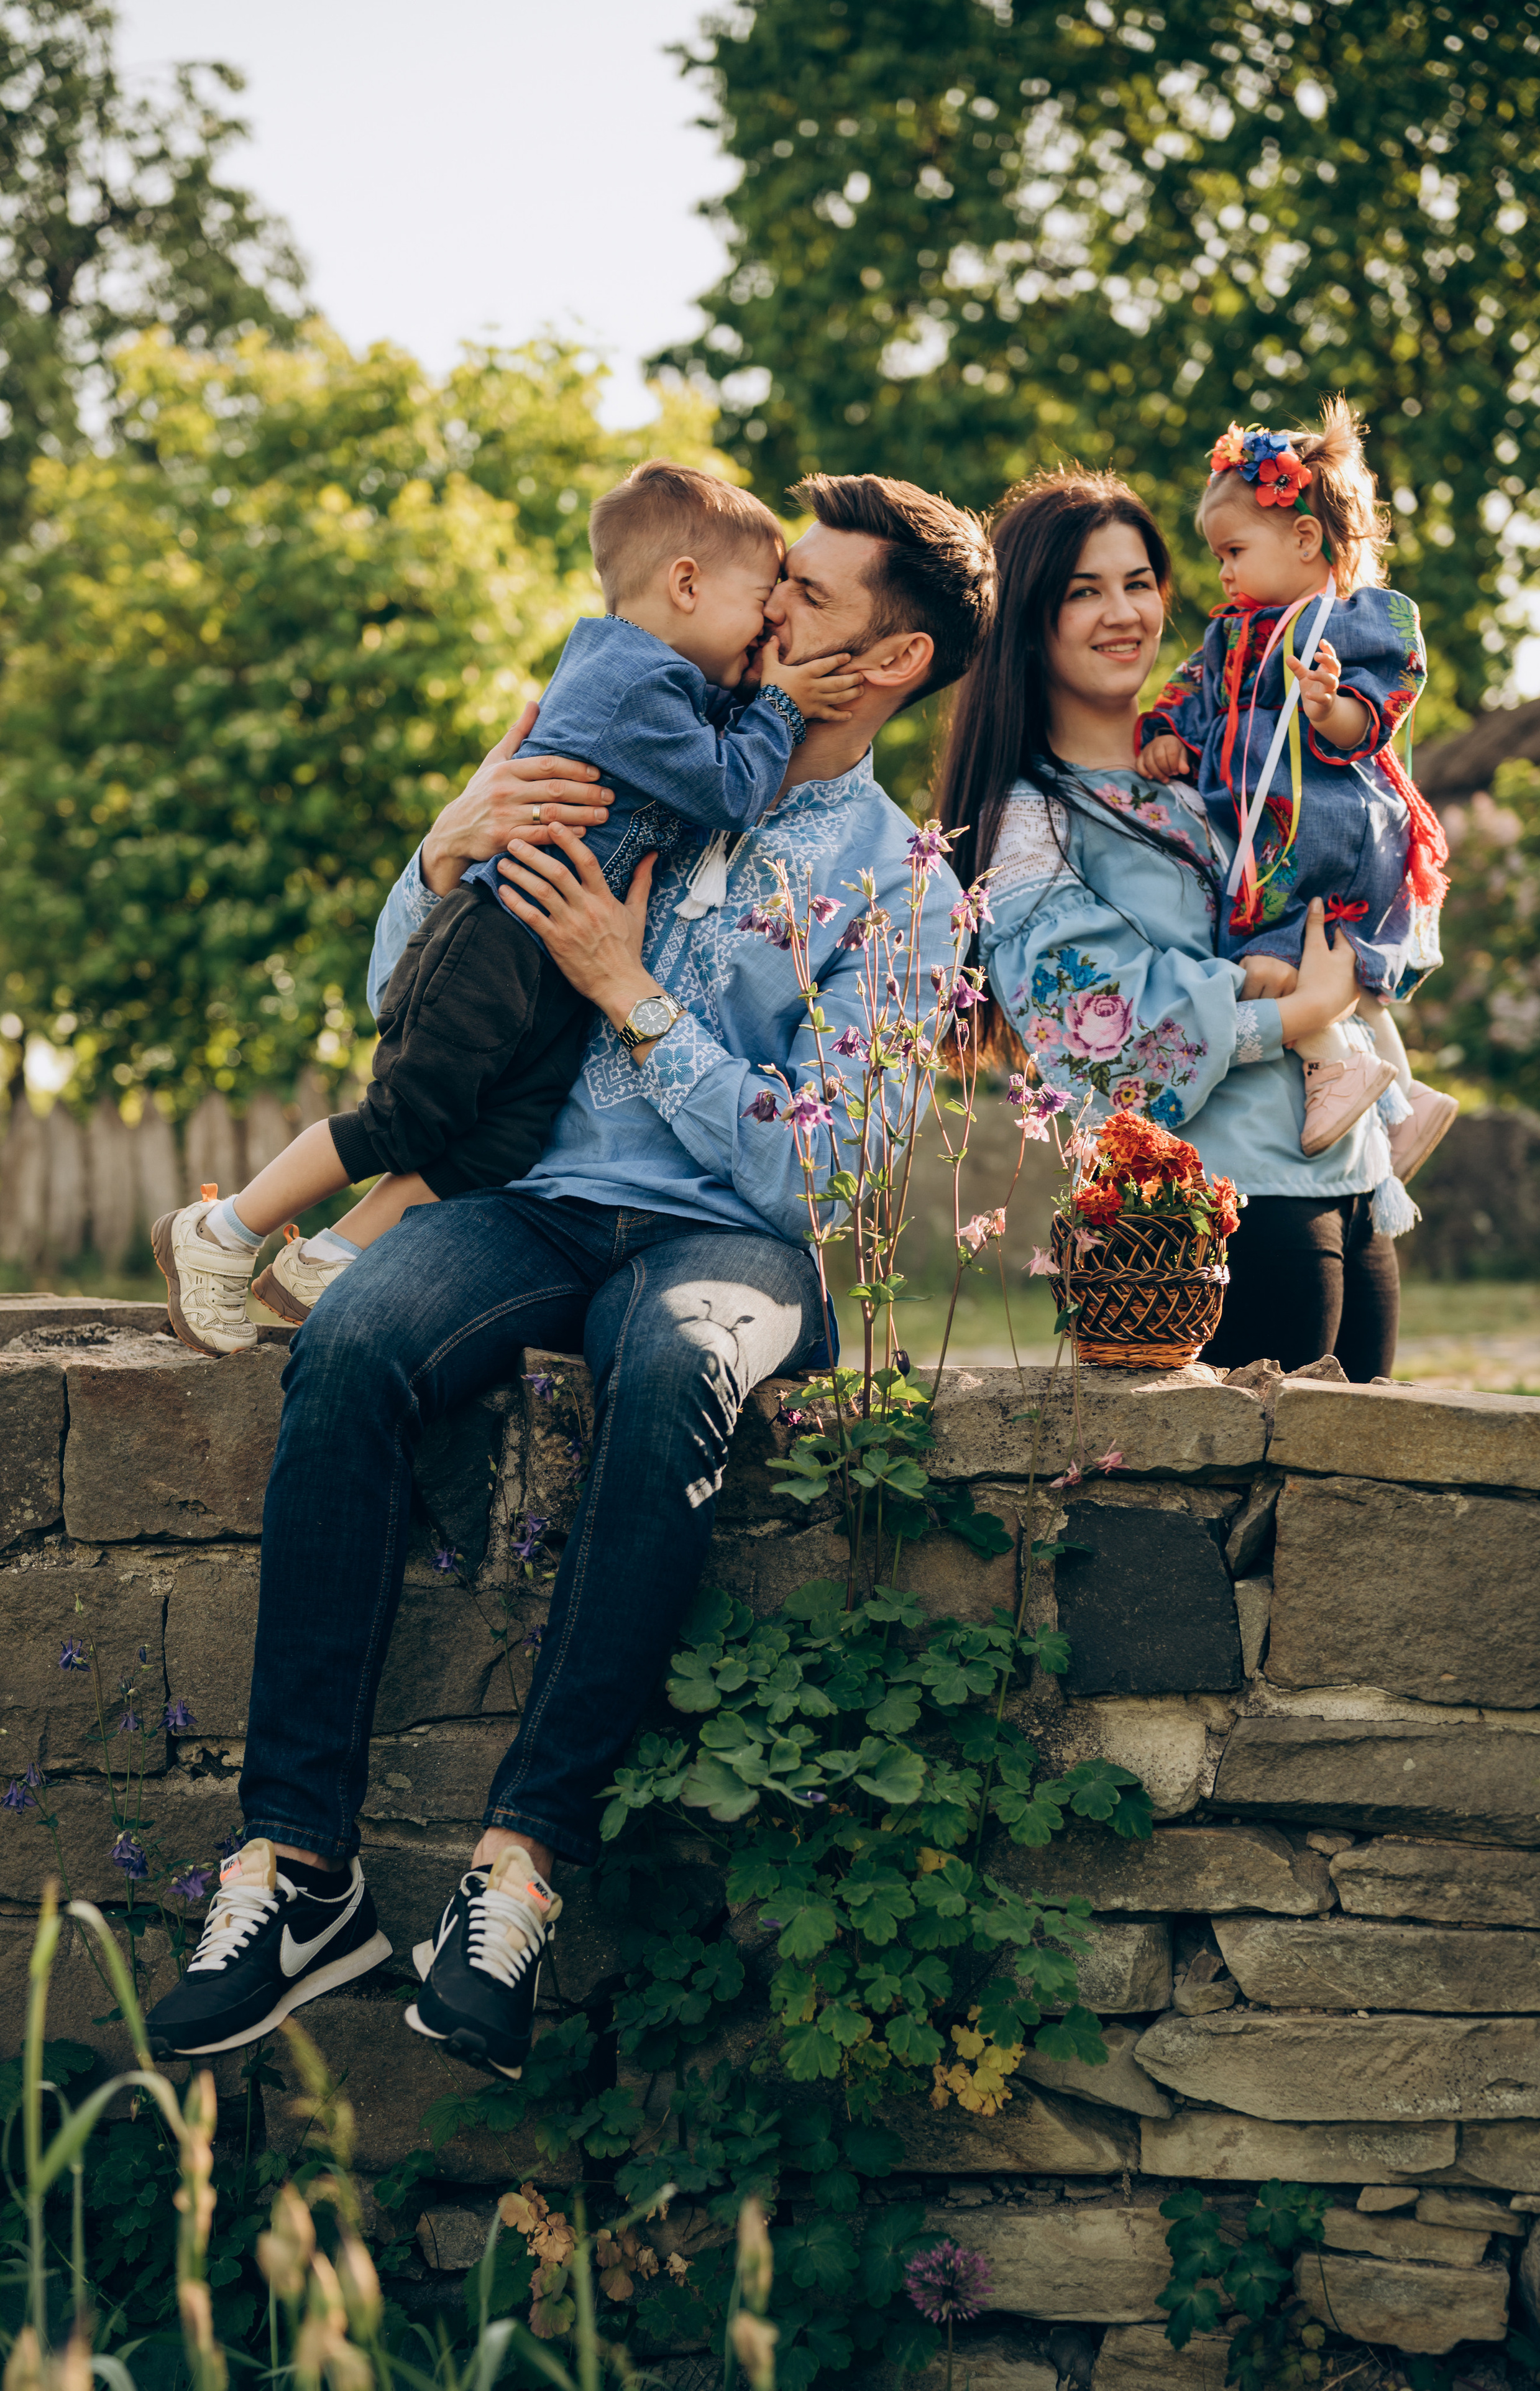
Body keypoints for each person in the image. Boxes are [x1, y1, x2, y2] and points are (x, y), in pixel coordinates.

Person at [141, 472, 997, 2080]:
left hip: (727, 1243)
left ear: (890, 663)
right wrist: (443, 845)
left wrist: (638, 999)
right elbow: (416, 983)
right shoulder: (624, 739)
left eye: (808, 597)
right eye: (777, 584)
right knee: (354, 1337)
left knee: (676, 1364)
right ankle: (296, 1872)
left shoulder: (903, 890)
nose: (768, 608)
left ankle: (519, 1871)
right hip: (529, 1203)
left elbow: (824, 1174)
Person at [151, 462, 860, 1358]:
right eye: (762, 601)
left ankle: (331, 1258)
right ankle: (220, 1232)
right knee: (409, 1114)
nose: (770, 625)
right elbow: (729, 790)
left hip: (550, 957)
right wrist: (783, 706)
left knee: (502, 1141)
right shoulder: (631, 681)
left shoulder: (668, 676)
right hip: (497, 937)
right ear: (686, 584)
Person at [937, 465, 1414, 1384]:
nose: (1123, 612)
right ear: (1031, 622)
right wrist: (1290, 1010)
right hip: (1216, 1207)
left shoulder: (1227, 762)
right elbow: (1099, 1030)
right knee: (1251, 1514)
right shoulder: (1034, 818)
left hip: (1354, 1182)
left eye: (1139, 582)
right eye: (1084, 592)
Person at [1135, 402, 1456, 1172]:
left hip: (1327, 828)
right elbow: (1191, 690)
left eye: (1235, 550)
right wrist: (1167, 734)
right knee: (1313, 962)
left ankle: (1335, 1066)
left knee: (1269, 965)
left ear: (1305, 537)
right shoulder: (1232, 631)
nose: (1224, 572)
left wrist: (1332, 707)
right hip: (1270, 831)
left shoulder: (1348, 621)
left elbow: (1383, 707)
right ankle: (1404, 1099)